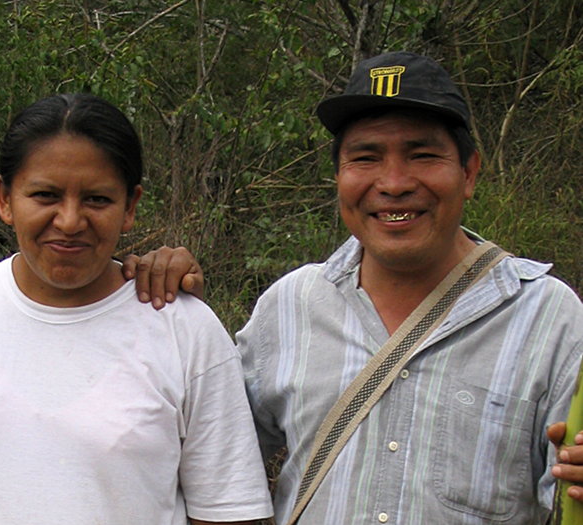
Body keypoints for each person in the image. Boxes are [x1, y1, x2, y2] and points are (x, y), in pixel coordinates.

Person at [124, 52, 583, 524]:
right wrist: (138, 300)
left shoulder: (549, 317)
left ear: (468, 172)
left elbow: (567, 497)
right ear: (338, 176)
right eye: (366, 158)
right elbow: (203, 456)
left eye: (422, 155)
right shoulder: (289, 307)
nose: (394, 183)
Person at [0, 93, 273, 524]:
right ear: (5, 199)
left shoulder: (185, 329)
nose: (69, 221)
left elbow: (227, 512)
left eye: (97, 200)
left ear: (131, 206)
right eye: (45, 195)